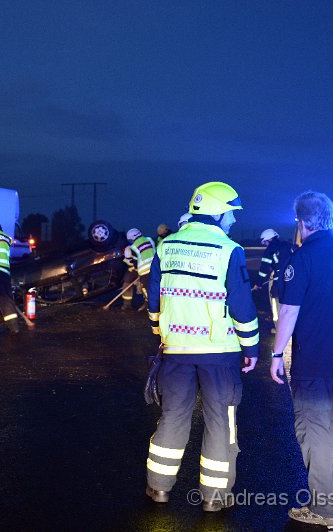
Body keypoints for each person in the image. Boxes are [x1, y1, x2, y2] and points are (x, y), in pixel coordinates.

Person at [146, 181, 259, 512]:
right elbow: (241, 305)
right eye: (232, 214)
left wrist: (161, 333)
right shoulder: (228, 250)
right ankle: (215, 497)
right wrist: (251, 349)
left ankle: (159, 489)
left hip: (175, 350)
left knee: (173, 416)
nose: (234, 221)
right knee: (220, 421)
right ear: (219, 212)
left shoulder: (165, 247)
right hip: (218, 354)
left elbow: (155, 299)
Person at [267, 191, 333, 526]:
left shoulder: (302, 258)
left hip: (313, 362)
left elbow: (289, 310)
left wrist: (277, 354)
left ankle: (323, 509)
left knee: (315, 433)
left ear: (303, 222)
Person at [253, 228, 293, 330]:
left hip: (279, 284)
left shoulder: (270, 250)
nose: (265, 245)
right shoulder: (287, 245)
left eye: (264, 242)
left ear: (268, 240)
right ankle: (290, 327)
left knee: (277, 307)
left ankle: (280, 329)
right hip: (292, 281)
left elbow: (263, 270)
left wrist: (258, 283)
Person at [119, 228, 155, 310]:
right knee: (155, 288)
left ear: (131, 239)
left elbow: (134, 263)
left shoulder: (133, 247)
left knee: (146, 290)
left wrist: (134, 269)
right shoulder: (150, 240)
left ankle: (151, 308)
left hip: (144, 271)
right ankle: (149, 305)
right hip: (156, 269)